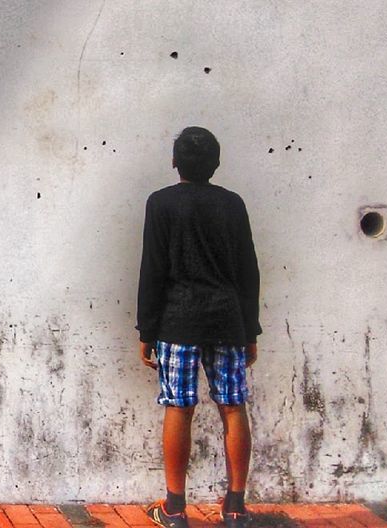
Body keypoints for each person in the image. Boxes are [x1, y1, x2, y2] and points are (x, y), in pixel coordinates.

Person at [136, 127, 261, 528]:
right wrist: (250, 331)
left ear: (174, 162)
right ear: (217, 163)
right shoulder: (233, 204)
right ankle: (236, 507)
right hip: (227, 321)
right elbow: (248, 271)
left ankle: (174, 509)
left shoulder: (161, 204)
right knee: (233, 406)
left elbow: (153, 270)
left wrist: (146, 330)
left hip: (178, 322)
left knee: (179, 407)